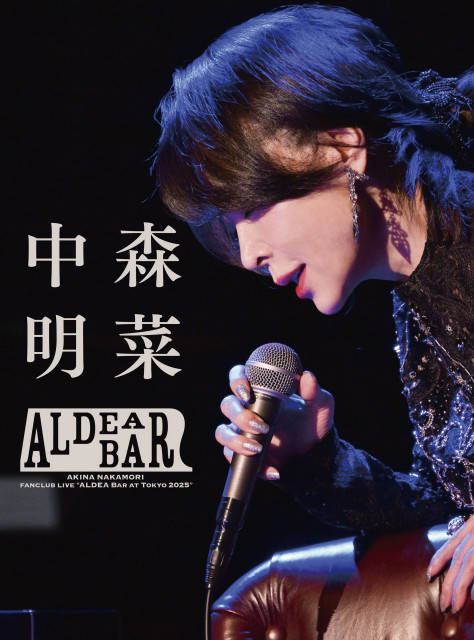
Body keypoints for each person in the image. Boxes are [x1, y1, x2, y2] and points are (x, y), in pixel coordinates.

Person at [152, 4, 473, 616]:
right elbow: (444, 519)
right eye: (231, 227)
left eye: (251, 209)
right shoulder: (417, 305)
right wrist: (316, 455)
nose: (248, 254)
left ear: (341, 147)